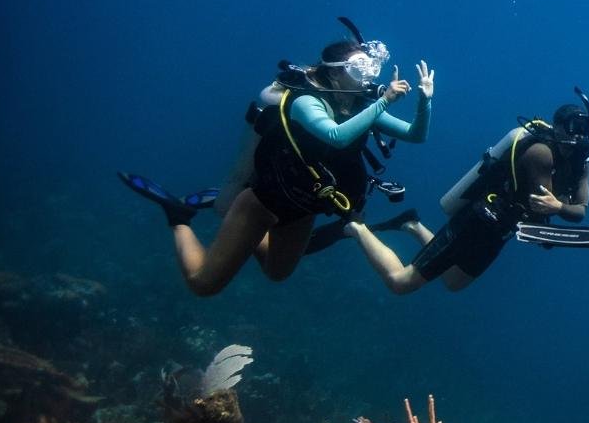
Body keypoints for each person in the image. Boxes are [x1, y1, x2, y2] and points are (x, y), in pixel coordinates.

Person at [120, 38, 433, 296]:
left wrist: (424, 101)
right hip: (263, 201)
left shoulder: (364, 107)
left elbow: (415, 135)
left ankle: (240, 234)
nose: (368, 76)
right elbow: (336, 136)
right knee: (204, 284)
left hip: (303, 208)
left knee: (277, 273)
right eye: (359, 68)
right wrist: (385, 102)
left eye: (370, 67)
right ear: (335, 74)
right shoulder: (306, 102)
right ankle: (180, 218)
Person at [337, 100, 589, 293]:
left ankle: (412, 224)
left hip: (502, 231)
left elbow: (580, 211)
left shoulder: (582, 163)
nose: (579, 136)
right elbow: (540, 211)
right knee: (402, 282)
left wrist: (558, 206)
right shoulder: (541, 154)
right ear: (557, 128)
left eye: (584, 129)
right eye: (573, 128)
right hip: (479, 221)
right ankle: (356, 227)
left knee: (453, 282)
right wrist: (560, 207)